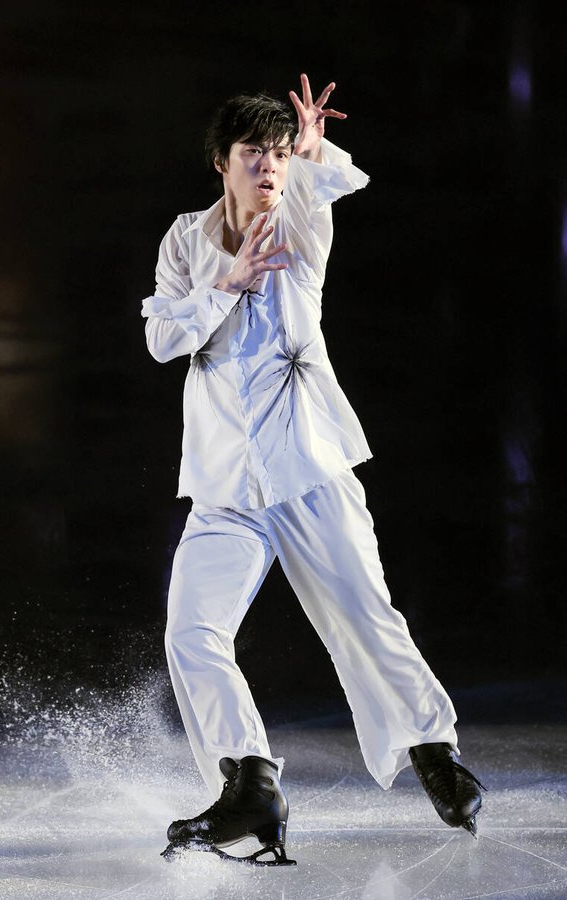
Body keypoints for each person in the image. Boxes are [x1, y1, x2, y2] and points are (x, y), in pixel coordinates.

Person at [141, 73, 485, 866]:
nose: (267, 165)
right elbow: (161, 338)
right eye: (252, 152)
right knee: (191, 632)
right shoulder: (185, 241)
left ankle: (434, 751)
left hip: (308, 471)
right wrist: (224, 286)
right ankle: (249, 783)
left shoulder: (298, 219)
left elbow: (324, 183)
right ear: (221, 162)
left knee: (362, 616)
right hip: (225, 487)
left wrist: (312, 149)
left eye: (277, 153)